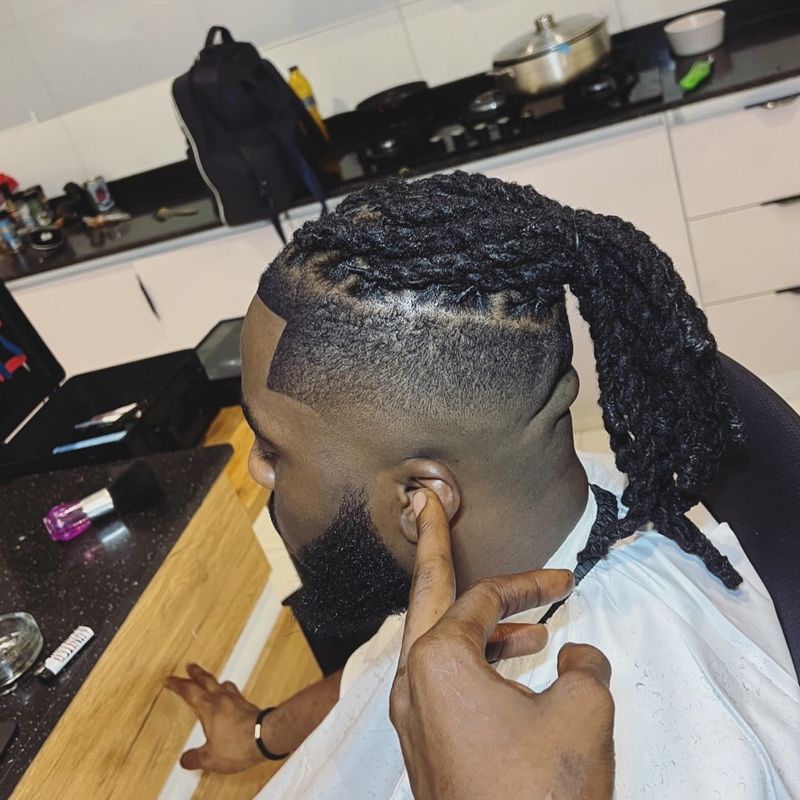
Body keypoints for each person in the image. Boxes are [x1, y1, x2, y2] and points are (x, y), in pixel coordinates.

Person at [166, 172, 800, 798]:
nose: (256, 470)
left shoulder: (686, 763)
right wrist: (262, 732)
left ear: (422, 500)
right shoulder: (547, 510)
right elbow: (398, 665)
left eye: (273, 449)